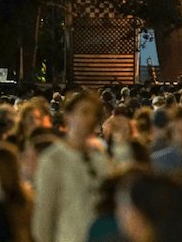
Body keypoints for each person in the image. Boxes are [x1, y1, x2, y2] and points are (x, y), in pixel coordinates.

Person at [32, 91, 129, 242]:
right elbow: (43, 218)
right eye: (84, 112)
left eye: (94, 114)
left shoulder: (100, 157)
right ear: (68, 116)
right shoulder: (53, 159)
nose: (89, 119)